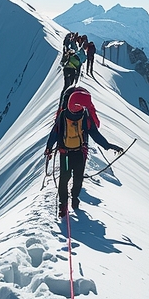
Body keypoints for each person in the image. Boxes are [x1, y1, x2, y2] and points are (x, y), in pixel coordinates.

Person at [44, 86, 121, 217]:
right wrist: (108, 146)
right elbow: (94, 134)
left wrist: (49, 148)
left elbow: (55, 133)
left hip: (65, 154)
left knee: (64, 178)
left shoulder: (62, 115)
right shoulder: (85, 116)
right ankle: (74, 199)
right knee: (78, 178)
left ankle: (63, 205)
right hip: (80, 153)